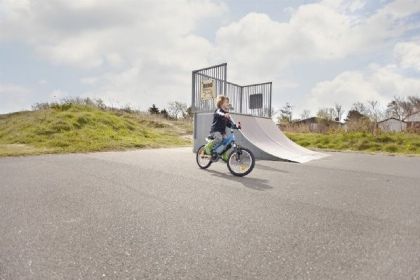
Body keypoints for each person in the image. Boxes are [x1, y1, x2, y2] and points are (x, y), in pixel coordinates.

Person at [209, 96, 233, 160]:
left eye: (228, 102)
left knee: (227, 142)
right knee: (219, 138)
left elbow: (228, 123)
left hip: (222, 132)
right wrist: (224, 115)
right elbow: (218, 113)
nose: (228, 103)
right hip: (215, 130)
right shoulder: (218, 110)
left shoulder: (226, 113)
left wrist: (234, 125)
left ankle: (223, 155)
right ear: (221, 103)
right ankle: (208, 147)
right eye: (226, 102)